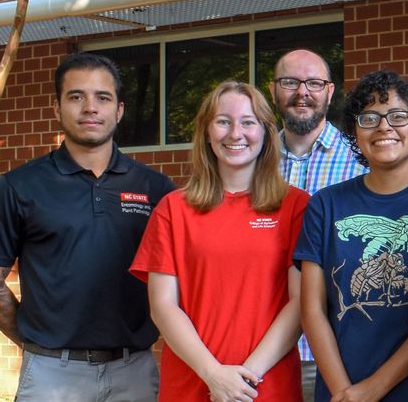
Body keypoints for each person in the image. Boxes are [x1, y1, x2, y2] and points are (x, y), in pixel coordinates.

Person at [0, 52, 176, 402]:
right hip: (51, 375)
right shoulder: (18, 187)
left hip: (135, 371)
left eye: (103, 98)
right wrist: (34, 342)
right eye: (76, 96)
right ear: (57, 109)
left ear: (119, 110)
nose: (90, 108)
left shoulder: (155, 188)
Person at [295, 70, 408, 402]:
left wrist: (372, 389)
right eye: (369, 118)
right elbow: (312, 310)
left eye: (398, 116)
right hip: (339, 389)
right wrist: (344, 392)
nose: (384, 127)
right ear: (354, 132)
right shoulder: (325, 205)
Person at [131, 81, 308, 402]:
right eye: (223, 121)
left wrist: (243, 380)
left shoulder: (296, 206)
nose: (235, 133)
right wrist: (213, 374)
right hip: (192, 385)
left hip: (267, 386)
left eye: (248, 122)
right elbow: (163, 306)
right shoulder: (173, 209)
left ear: (266, 132)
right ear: (206, 132)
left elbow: (299, 304)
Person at [269, 49, 368, 401]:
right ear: (273, 90)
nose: (302, 92)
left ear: (329, 91)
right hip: (263, 352)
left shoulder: (361, 162)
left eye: (314, 82)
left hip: (333, 354)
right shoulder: (252, 162)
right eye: (290, 82)